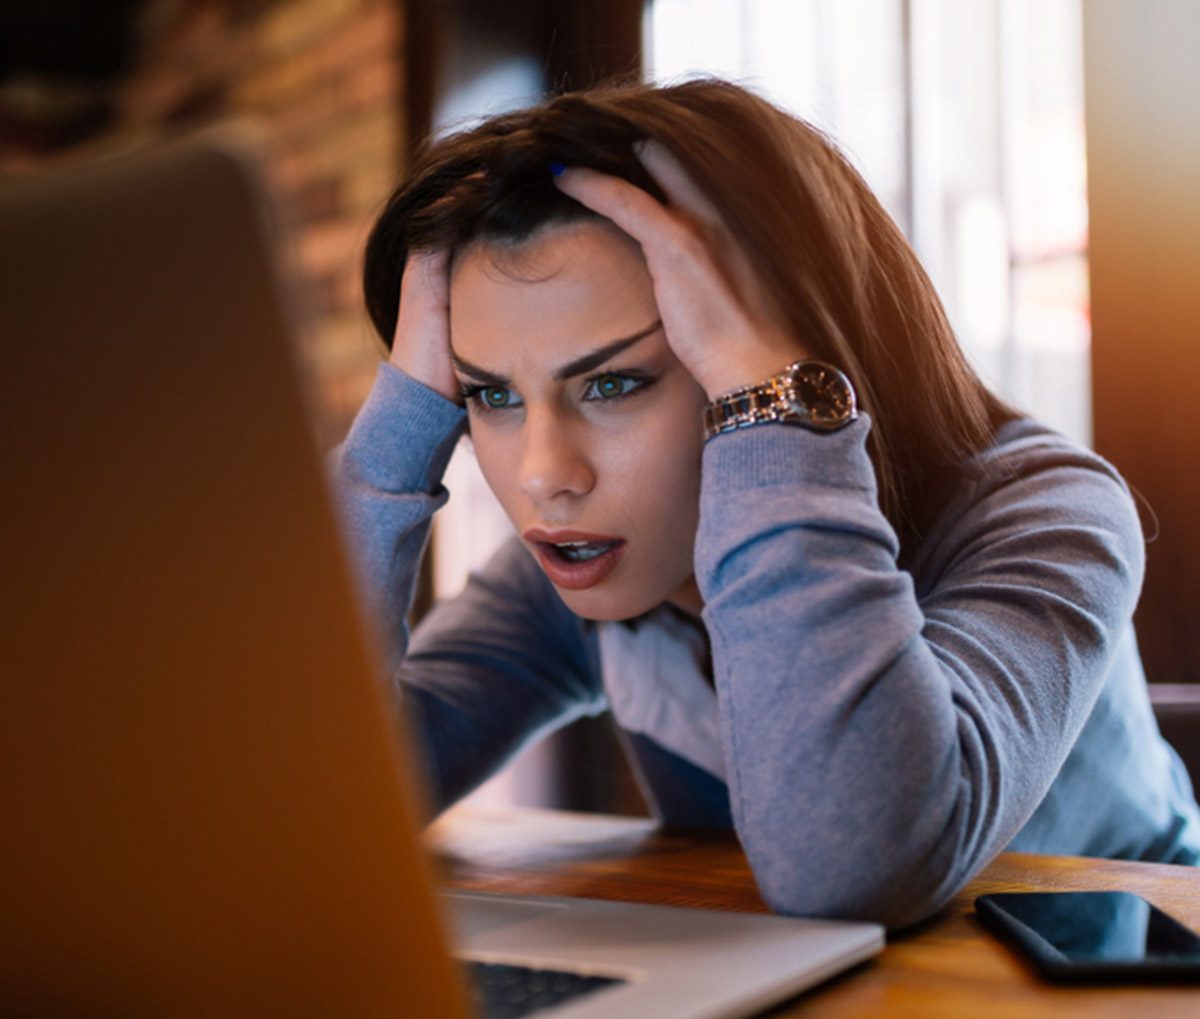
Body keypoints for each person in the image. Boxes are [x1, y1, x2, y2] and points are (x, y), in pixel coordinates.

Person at [333, 78, 1200, 929]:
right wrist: (397, 429)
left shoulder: (1051, 512)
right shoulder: (581, 555)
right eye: (490, 396)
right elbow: (318, 804)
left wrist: (776, 402)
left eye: (614, 382)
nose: (541, 475)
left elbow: (852, 869)